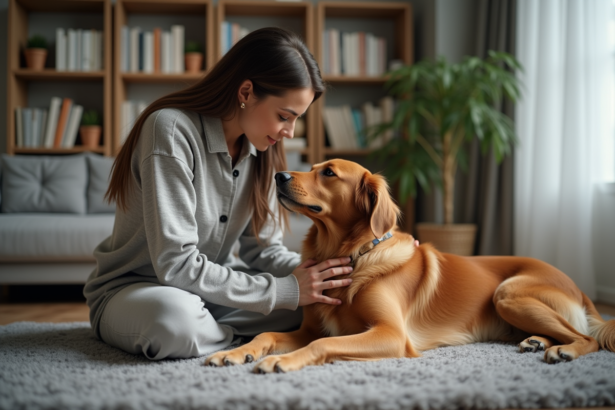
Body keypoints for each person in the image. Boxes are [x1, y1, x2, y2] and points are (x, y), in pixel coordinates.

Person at [83, 27, 355, 360]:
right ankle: (220, 333)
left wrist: (351, 270)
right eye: (284, 116)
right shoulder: (169, 129)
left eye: (296, 119)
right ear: (246, 91)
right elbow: (176, 264)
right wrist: (284, 291)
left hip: (213, 294)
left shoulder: (264, 150)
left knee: (322, 306)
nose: (290, 132)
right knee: (174, 322)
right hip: (139, 291)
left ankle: (209, 332)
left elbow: (264, 250)